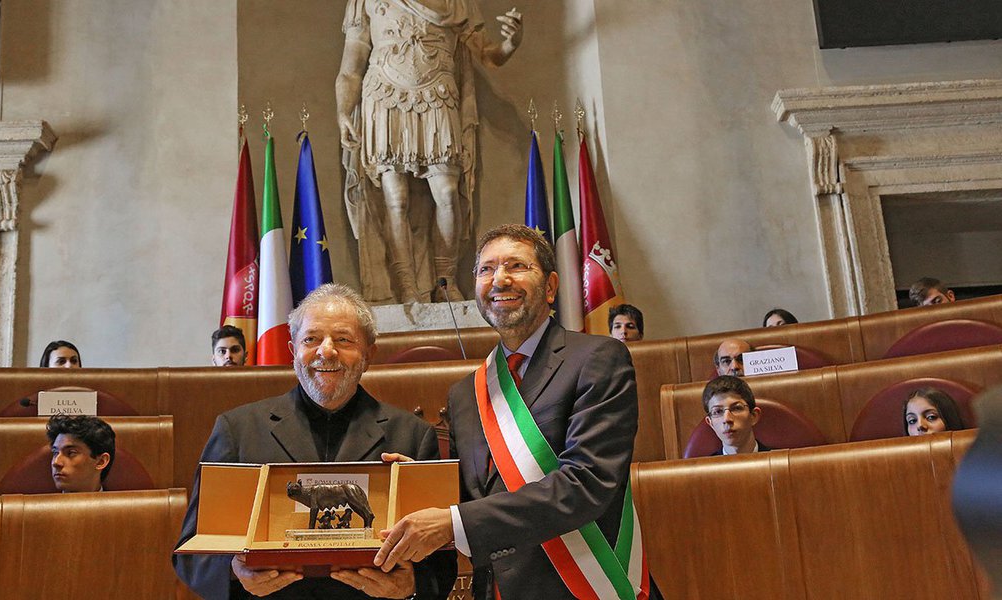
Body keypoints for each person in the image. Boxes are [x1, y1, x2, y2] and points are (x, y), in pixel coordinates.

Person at [374, 224, 660, 599]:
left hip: (585, 586)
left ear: (551, 286)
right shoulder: (465, 394)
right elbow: (477, 498)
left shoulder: (598, 359)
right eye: (486, 270)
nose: (500, 280)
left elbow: (587, 483)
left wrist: (454, 521)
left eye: (517, 266)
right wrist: (423, 486)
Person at [174, 283, 455, 600]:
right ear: (294, 350)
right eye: (311, 339)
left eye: (343, 339)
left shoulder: (413, 437)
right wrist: (233, 572)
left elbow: (441, 563)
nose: (326, 351)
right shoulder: (236, 431)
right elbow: (193, 551)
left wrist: (412, 586)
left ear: (369, 353)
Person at [336, 1, 523, 303]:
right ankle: (406, 286)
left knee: (447, 192)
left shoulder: (455, 3)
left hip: (438, 95)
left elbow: (488, 54)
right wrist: (344, 111)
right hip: (385, 96)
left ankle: (444, 279)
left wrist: (512, 42)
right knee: (395, 200)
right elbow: (351, 65)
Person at [702, 376, 770, 455]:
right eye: (717, 412)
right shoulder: (705, 467)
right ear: (710, 423)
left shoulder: (782, 463)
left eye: (736, 408)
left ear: (754, 416)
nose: (727, 419)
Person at [47, 414, 115, 493]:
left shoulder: (125, 505)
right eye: (55, 453)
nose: (56, 462)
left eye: (71, 453)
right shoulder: (35, 504)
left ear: (101, 461)